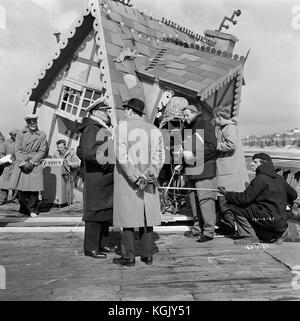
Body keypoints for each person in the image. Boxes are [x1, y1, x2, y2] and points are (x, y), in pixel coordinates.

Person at [113, 98, 165, 267]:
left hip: (129, 181)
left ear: (129, 110)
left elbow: (122, 157)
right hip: (148, 179)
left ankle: (128, 257)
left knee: (128, 218)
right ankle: (147, 255)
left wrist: (136, 176)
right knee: (146, 216)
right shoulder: (154, 129)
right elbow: (160, 157)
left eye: (125, 109)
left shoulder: (121, 128)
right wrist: (149, 174)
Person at [218, 153, 298, 245]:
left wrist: (226, 193)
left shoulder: (260, 179)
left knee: (235, 206)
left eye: (255, 162)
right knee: (258, 210)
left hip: (268, 218)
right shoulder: (279, 178)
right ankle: (277, 234)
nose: (252, 164)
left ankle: (249, 236)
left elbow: (244, 199)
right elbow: (294, 195)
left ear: (263, 163)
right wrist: (283, 203)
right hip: (280, 220)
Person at [77, 97, 115, 259]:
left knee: (104, 212)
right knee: (94, 212)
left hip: (101, 176)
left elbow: (80, 151)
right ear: (94, 112)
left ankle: (103, 243)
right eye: (104, 111)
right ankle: (91, 247)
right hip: (97, 176)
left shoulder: (99, 127)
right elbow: (90, 152)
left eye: (107, 110)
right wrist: (109, 163)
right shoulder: (92, 128)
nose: (107, 113)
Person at [181, 104, 218, 242]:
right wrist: (183, 162)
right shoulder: (187, 128)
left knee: (205, 200)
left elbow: (211, 146)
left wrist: (193, 155)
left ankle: (208, 231)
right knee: (194, 201)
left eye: (187, 115)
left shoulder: (205, 124)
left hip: (204, 170)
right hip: (191, 170)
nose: (185, 118)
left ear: (195, 113)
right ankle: (197, 228)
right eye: (184, 115)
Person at [213, 106, 249, 232]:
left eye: (215, 117)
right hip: (229, 168)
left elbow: (231, 145)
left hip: (228, 169)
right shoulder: (228, 127)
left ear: (219, 117)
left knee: (224, 197)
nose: (214, 120)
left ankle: (229, 226)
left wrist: (214, 146)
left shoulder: (229, 128)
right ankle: (230, 225)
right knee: (226, 197)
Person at [13, 115, 48, 218]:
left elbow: (42, 151)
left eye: (34, 122)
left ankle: (32, 209)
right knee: (22, 189)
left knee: (34, 189)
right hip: (22, 163)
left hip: (35, 163)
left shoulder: (42, 135)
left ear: (37, 122)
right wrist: (23, 162)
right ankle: (24, 209)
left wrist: (32, 162)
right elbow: (17, 150)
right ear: (27, 123)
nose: (33, 124)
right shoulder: (20, 134)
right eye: (30, 122)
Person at [54, 139, 80, 204]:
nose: (59, 149)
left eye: (61, 147)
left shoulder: (71, 152)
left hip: (71, 172)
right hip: (60, 173)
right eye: (58, 147)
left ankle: (70, 202)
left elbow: (77, 163)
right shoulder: (55, 153)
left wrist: (69, 164)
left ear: (65, 146)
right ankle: (61, 201)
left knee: (70, 188)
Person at [0, 129, 18, 204]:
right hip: (7, 165)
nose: (16, 136)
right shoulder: (5, 143)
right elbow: (1, 153)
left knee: (16, 183)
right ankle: (2, 199)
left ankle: (16, 198)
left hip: (17, 165)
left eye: (17, 134)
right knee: (4, 183)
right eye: (14, 135)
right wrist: (6, 158)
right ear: (11, 135)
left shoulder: (21, 143)